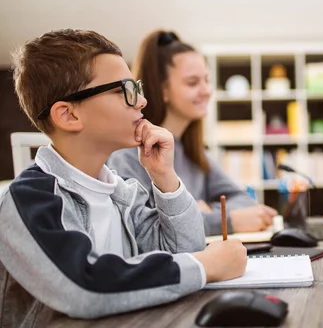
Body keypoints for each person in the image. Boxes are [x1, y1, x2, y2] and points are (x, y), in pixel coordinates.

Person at [0, 29, 247, 324]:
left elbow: (183, 249)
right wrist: (205, 265)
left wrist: (165, 177)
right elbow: (83, 287)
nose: (141, 101)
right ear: (68, 115)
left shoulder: (123, 193)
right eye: (125, 90)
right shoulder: (29, 200)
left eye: (138, 88)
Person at [107, 31, 277, 236]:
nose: (206, 90)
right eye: (193, 83)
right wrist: (223, 220)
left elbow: (244, 200)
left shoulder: (193, 152)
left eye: (207, 80)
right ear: (163, 90)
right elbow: (149, 230)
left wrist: (199, 211)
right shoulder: (128, 153)